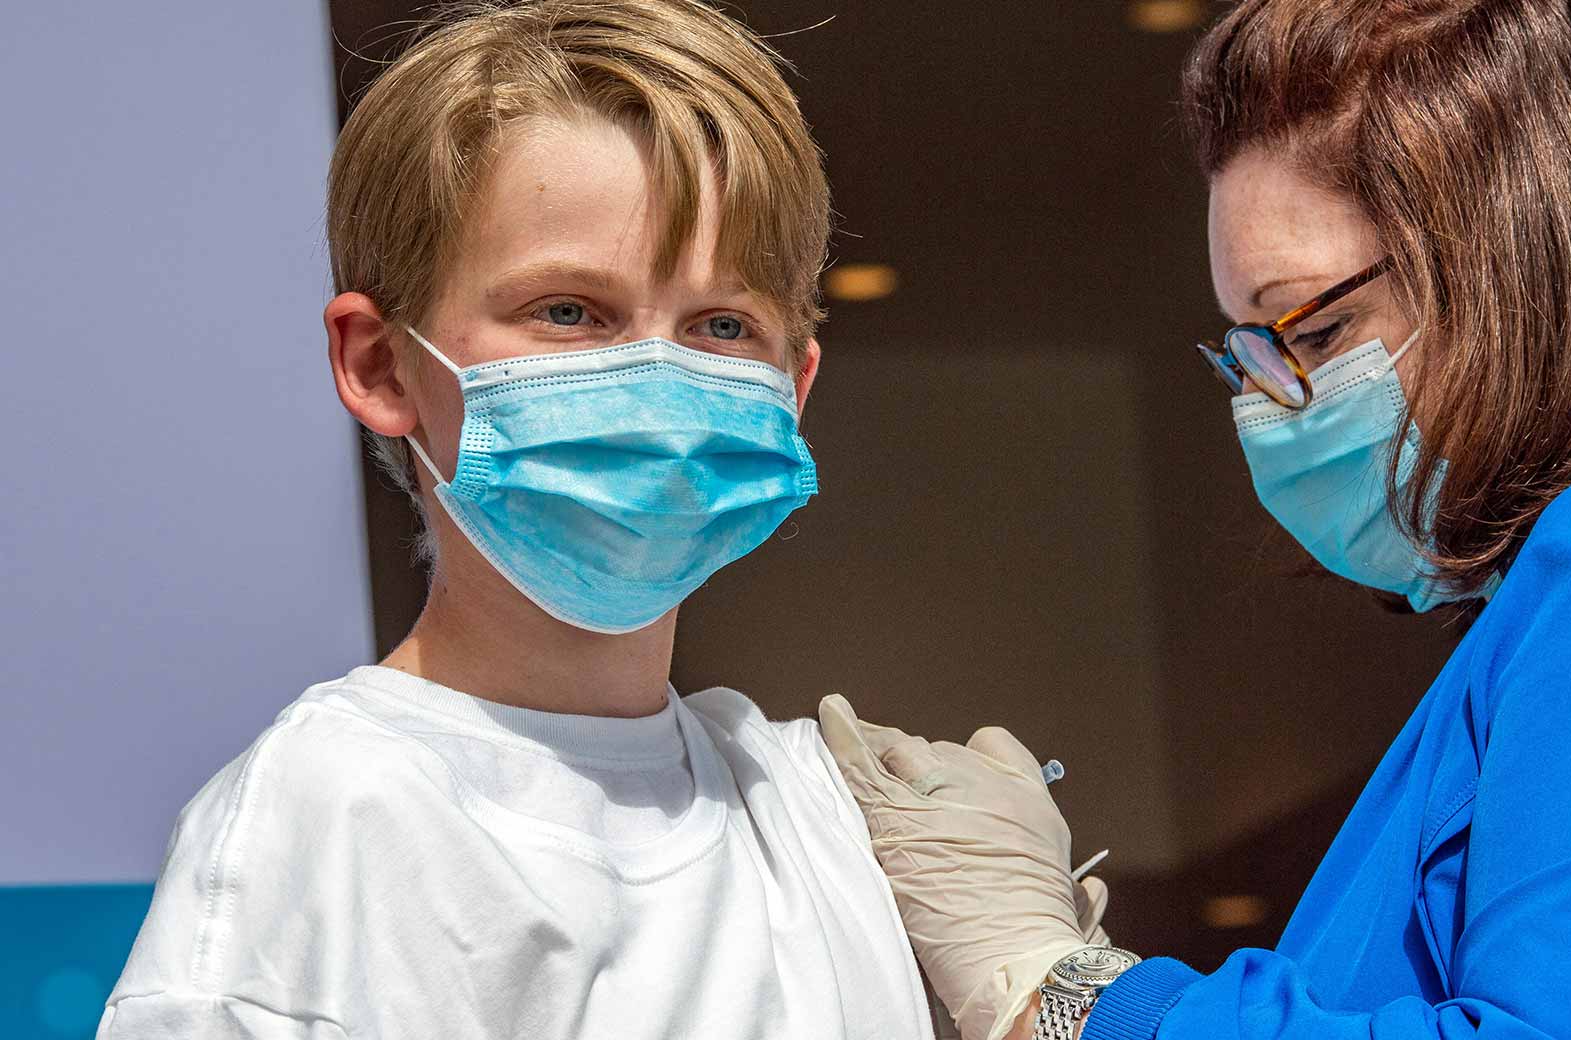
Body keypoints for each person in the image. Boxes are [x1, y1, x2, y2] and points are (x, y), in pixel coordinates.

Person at [819, 0, 1571, 1038]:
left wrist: (1064, 987)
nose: (1269, 403)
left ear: (1528, 258)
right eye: (1249, 350)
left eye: (1315, 326)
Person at [99, 2, 959, 1036]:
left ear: (792, 388)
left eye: (721, 326)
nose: (655, 376)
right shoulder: (332, 821)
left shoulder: (819, 811)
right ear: (380, 363)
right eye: (569, 310)